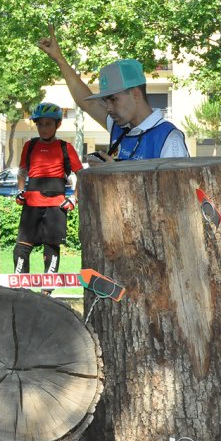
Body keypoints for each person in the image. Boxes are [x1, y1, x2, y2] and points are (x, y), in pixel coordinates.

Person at [37, 25, 189, 161]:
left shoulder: (169, 139)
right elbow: (87, 102)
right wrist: (59, 59)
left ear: (135, 94)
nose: (108, 108)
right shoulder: (120, 127)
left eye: (113, 99)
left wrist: (116, 174)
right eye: (106, 101)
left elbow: (177, 191)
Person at [13, 103, 84, 294]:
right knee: (21, 249)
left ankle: (47, 293)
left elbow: (82, 176)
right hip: (32, 205)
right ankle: (22, 289)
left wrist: (73, 199)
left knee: (51, 249)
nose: (44, 128)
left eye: (48, 124)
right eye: (40, 124)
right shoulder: (30, 146)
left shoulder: (65, 148)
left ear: (58, 125)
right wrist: (20, 191)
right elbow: (22, 171)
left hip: (55, 207)